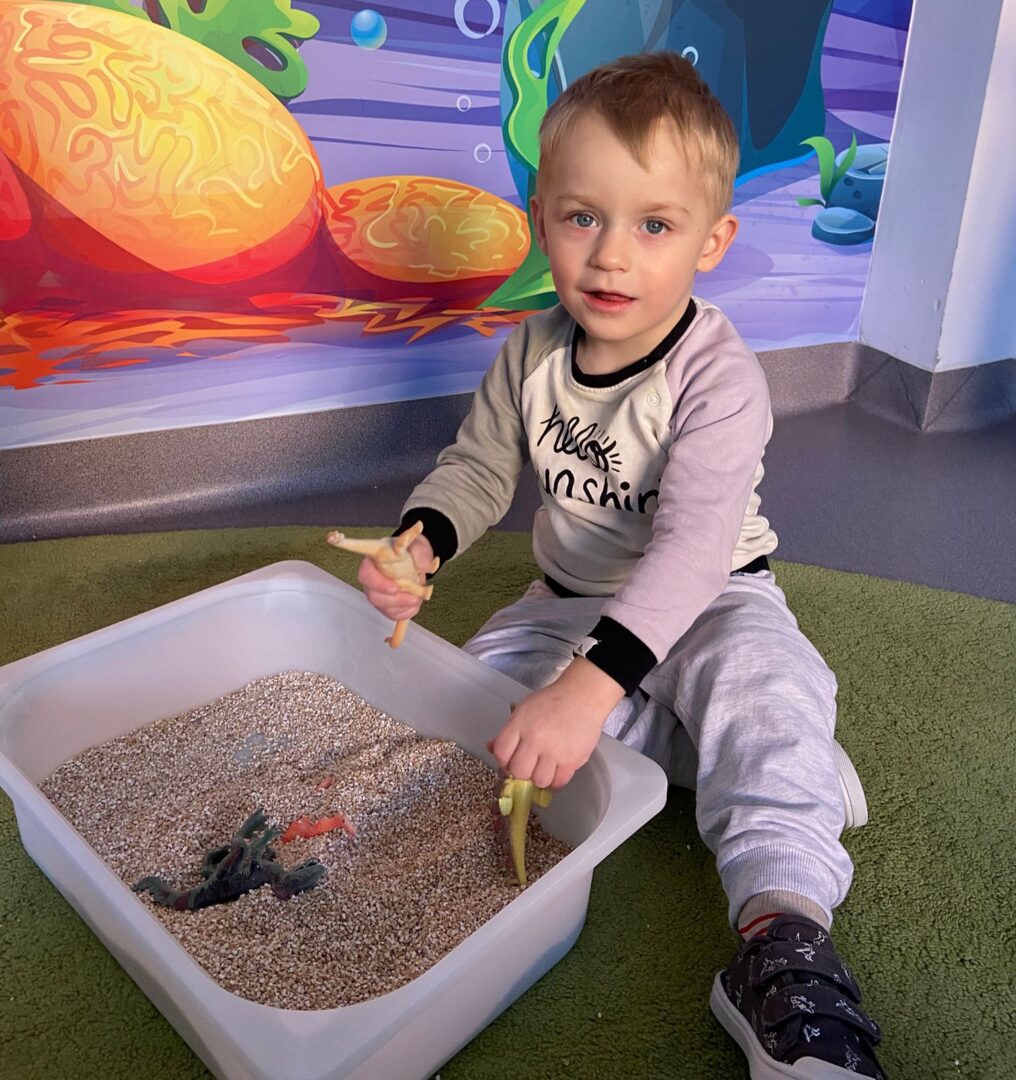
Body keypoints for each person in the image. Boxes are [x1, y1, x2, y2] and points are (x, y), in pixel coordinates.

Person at [355, 51, 885, 1080]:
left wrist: (586, 693)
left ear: (711, 241)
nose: (609, 256)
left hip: (714, 597)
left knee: (757, 679)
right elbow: (477, 469)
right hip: (564, 604)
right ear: (541, 218)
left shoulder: (717, 376)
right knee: (473, 719)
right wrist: (420, 542)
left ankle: (782, 939)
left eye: (654, 225)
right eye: (581, 217)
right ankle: (758, 754)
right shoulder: (530, 350)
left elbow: (689, 551)